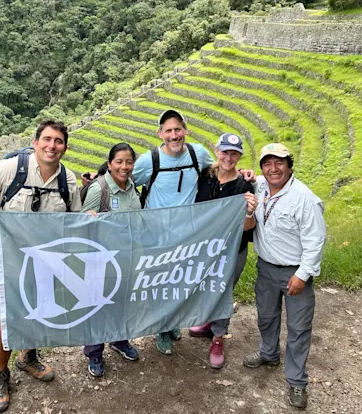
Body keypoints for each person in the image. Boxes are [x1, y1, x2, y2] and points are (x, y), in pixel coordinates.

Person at [0, 120, 82, 413]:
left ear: (65, 148)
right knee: (5, 320)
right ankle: (0, 375)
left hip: (47, 263)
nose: (51, 146)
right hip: (9, 262)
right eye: (47, 139)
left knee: (39, 311)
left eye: (58, 141)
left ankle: (28, 357)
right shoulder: (11, 169)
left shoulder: (67, 181)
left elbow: (75, 219)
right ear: (35, 143)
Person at [242, 143, 326, 410]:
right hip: (266, 268)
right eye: (267, 163)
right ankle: (268, 354)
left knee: (299, 328)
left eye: (279, 163)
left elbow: (315, 240)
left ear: (290, 166)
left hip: (295, 271)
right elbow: (244, 177)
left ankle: (297, 381)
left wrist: (302, 275)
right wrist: (245, 173)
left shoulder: (304, 198)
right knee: (266, 316)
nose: (273, 169)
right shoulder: (259, 186)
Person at [131, 109, 215, 355]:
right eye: (168, 131)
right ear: (160, 134)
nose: (174, 135)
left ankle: (172, 321)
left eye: (178, 129)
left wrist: (246, 175)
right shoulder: (150, 160)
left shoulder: (197, 154)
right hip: (155, 234)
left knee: (178, 281)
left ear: (186, 130)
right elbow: (125, 180)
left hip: (186, 234)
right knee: (158, 283)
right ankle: (162, 328)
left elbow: (217, 169)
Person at [188, 133, 257, 369]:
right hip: (205, 248)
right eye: (225, 152)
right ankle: (208, 324)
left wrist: (249, 212)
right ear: (217, 151)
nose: (229, 157)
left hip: (232, 250)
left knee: (224, 290)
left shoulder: (244, 185)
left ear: (239, 156)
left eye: (235, 154)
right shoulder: (205, 175)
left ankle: (218, 337)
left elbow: (248, 228)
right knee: (207, 287)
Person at [81, 143, 142, 377]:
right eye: (119, 162)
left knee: (121, 302)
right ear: (109, 164)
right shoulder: (99, 189)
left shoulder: (132, 186)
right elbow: (82, 222)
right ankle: (94, 352)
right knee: (97, 305)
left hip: (126, 256)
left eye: (129, 162)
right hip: (100, 260)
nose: (124, 166)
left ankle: (119, 339)